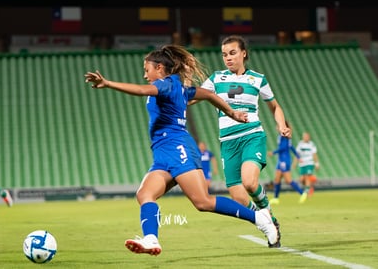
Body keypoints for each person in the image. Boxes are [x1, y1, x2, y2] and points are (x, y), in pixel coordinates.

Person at [84, 44, 279, 255]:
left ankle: (260, 219)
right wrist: (231, 113)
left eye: (146, 69)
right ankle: (151, 239)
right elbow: (207, 94)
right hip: (162, 152)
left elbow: (142, 91)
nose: (144, 74)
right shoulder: (178, 87)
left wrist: (108, 83)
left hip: (178, 148)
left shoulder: (166, 85)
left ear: (159, 68)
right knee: (145, 194)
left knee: (202, 202)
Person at [198, 35, 292, 248]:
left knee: (249, 182)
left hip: (252, 136)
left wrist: (281, 125)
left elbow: (275, 106)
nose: (228, 58)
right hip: (228, 143)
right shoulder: (215, 79)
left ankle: (266, 213)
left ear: (244, 53)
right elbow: (196, 96)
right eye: (224, 55)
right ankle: (269, 220)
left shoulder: (257, 79)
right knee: (239, 197)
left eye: (232, 53)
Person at [268, 121, 307, 204]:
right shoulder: (283, 136)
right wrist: (298, 156)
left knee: (288, 180)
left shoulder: (284, 136)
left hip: (284, 160)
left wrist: (273, 152)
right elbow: (291, 147)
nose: (276, 127)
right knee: (277, 179)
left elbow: (283, 147)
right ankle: (276, 198)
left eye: (278, 125)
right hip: (281, 160)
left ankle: (302, 193)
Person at [294, 131, 319, 196]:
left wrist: (316, 163)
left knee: (307, 176)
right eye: (304, 136)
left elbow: (314, 154)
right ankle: (309, 187)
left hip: (309, 163)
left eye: (307, 136)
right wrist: (295, 163)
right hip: (302, 164)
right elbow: (297, 154)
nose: (306, 138)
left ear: (309, 137)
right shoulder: (300, 144)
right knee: (302, 179)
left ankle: (307, 192)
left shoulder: (311, 144)